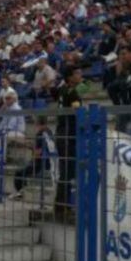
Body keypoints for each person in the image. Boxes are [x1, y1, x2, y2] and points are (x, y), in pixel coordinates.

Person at [55, 66, 83, 219]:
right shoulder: (72, 93)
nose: (81, 75)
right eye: (77, 72)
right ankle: (62, 207)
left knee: (65, 172)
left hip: (61, 134)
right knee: (67, 172)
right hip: (67, 136)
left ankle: (60, 206)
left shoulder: (63, 90)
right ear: (70, 77)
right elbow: (77, 115)